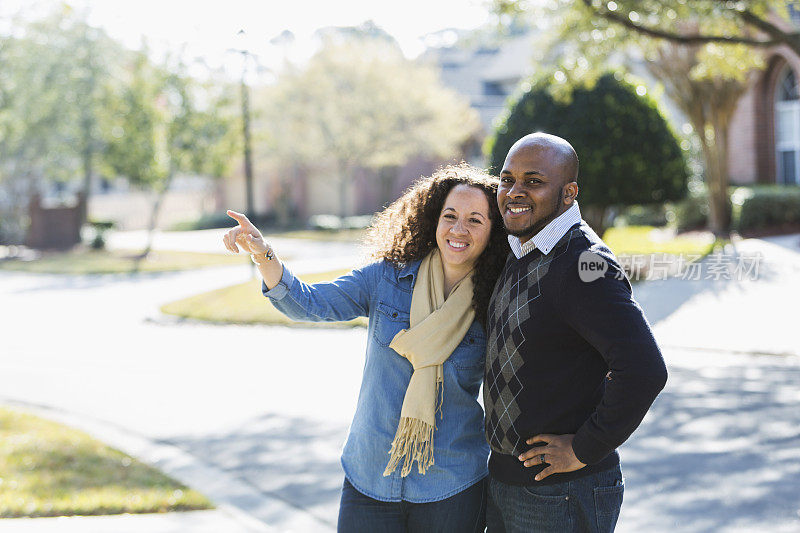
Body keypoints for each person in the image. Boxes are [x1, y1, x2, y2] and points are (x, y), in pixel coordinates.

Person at [222, 163, 510, 532]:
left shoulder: (497, 301)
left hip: (451, 486)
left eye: (475, 220)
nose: (458, 229)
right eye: (449, 216)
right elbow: (308, 303)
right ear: (433, 220)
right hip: (370, 477)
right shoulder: (385, 278)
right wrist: (263, 253)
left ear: (492, 233)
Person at [483, 133, 668, 532]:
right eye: (507, 179)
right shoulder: (521, 248)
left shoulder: (585, 263)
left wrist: (585, 448)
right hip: (508, 483)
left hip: (560, 492)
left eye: (533, 181)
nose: (514, 192)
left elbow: (644, 369)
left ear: (568, 193)